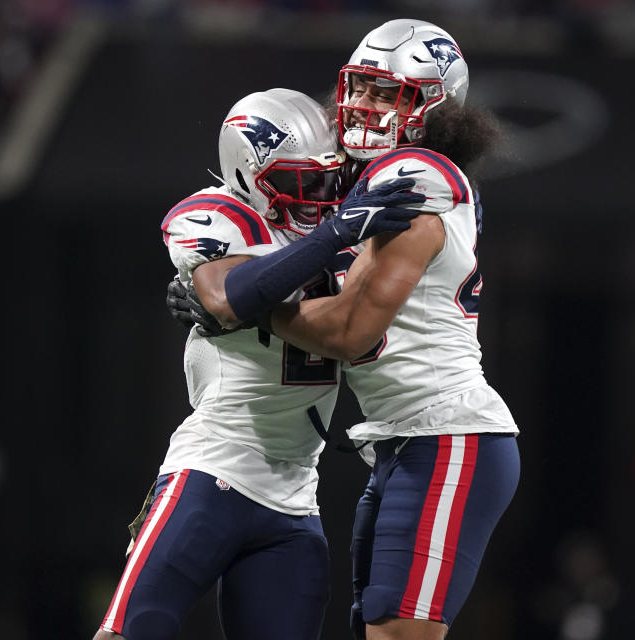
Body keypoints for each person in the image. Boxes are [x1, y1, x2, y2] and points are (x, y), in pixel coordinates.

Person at [168, 19, 521, 640]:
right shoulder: (361, 181)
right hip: (401, 440)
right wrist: (226, 287)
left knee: (397, 634)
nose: (362, 106)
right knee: (375, 627)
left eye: (387, 94)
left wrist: (236, 304)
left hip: (448, 432)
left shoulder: (416, 171)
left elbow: (347, 332)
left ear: (436, 107)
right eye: (360, 87)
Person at [93, 87, 423, 640]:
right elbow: (227, 296)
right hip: (215, 465)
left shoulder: (345, 223)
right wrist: (335, 234)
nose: (324, 194)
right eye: (303, 181)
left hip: (296, 492)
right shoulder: (215, 214)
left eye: (332, 177)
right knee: (132, 631)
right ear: (249, 175)